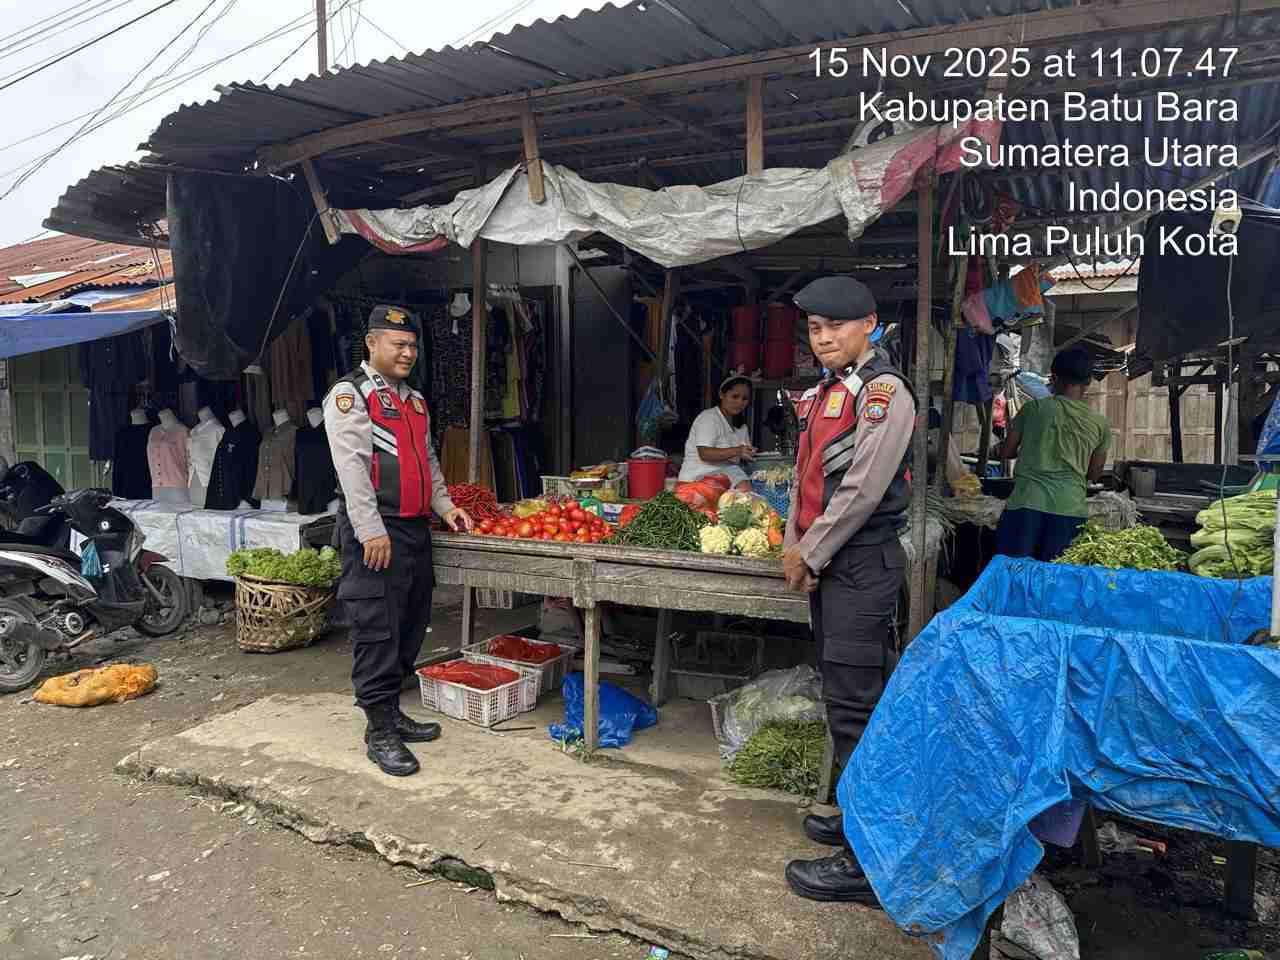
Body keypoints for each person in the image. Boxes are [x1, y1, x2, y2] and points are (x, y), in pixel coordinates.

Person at [780, 276, 916, 904]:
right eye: (815, 328)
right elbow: (804, 474)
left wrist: (811, 550)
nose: (825, 337)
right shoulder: (826, 393)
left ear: (870, 324)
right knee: (843, 697)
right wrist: (790, 540)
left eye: (836, 325)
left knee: (859, 706)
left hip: (860, 564)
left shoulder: (885, 393)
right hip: (832, 565)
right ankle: (854, 822)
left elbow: (862, 490)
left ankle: (867, 863)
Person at [324, 305, 473, 778]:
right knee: (377, 629)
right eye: (398, 344)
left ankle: (392, 712)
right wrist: (370, 529)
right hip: (377, 530)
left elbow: (426, 459)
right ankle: (378, 730)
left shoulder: (414, 401)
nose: (408, 352)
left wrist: (444, 504)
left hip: (413, 529)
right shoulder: (352, 396)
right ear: (372, 343)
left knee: (411, 622)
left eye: (412, 346)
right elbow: (351, 469)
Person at [994, 346, 1110, 562]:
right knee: (1056, 580)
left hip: (1026, 505)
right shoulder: (1099, 423)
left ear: (1053, 378)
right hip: (1069, 511)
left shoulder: (1032, 410)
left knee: (1014, 575)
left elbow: (1006, 452)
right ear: (1088, 382)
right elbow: (1094, 475)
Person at [679, 375, 756, 491]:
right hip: (694, 481)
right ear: (721, 395)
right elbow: (704, 453)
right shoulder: (709, 418)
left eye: (744, 399)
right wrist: (739, 450)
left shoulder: (741, 427)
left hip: (721, 480)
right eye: (735, 397)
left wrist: (748, 454)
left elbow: (741, 458)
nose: (740, 402)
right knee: (741, 482)